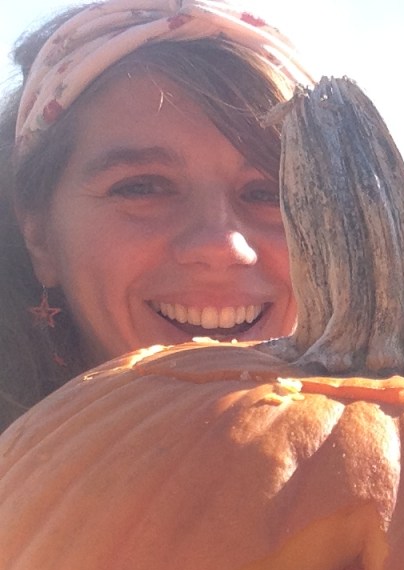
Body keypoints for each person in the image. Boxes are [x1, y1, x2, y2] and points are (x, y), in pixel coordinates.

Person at [0, 0, 317, 433]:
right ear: (38, 234)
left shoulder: (399, 469)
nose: (222, 247)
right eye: (142, 187)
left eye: (268, 192)